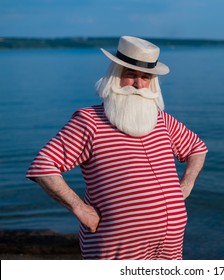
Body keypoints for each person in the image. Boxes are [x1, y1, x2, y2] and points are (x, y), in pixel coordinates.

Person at [26, 36, 207, 260]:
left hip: (170, 245)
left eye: (146, 77)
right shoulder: (90, 120)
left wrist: (186, 185)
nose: (139, 85)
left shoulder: (162, 120)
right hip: (117, 248)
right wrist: (80, 209)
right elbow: (44, 166)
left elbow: (197, 148)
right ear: (115, 76)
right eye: (131, 75)